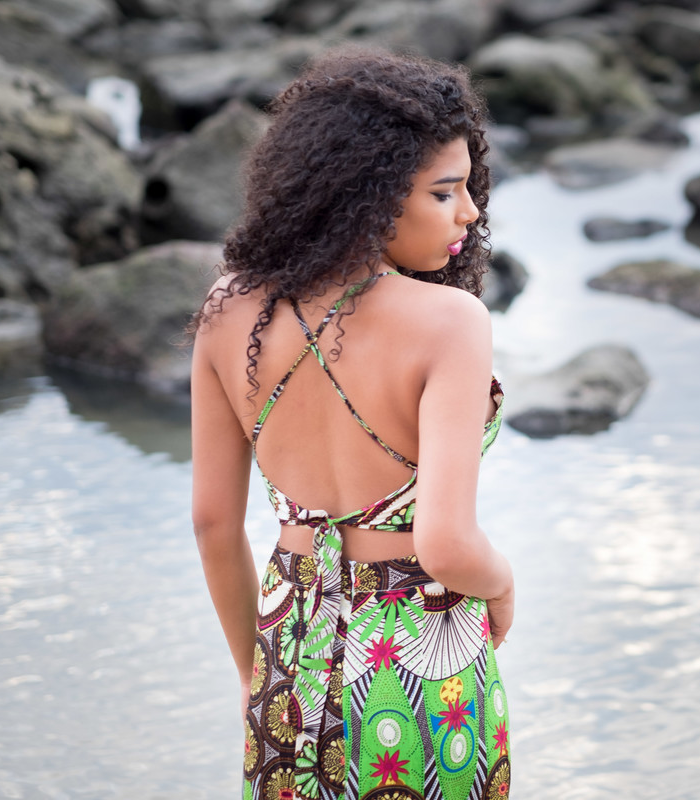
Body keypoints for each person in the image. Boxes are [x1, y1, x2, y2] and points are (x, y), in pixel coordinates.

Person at [189, 48, 514, 800]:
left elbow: (213, 524)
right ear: (365, 198)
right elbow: (447, 545)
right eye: (445, 192)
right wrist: (501, 583)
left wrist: (253, 672)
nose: (469, 211)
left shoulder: (225, 312)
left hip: (286, 654)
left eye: (469, 189)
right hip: (419, 665)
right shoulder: (450, 323)